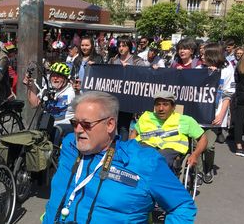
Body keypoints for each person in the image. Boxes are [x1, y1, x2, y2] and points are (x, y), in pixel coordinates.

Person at [42, 91, 196, 223]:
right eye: (75, 123)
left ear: (110, 125)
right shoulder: (70, 145)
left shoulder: (145, 162)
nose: (78, 130)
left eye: (86, 124)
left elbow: (182, 206)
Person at [130, 91, 208, 170]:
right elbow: (134, 133)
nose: (161, 108)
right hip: (145, 147)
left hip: (169, 150)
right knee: (134, 158)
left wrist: (195, 154)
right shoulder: (146, 117)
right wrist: (129, 147)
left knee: (159, 161)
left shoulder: (186, 121)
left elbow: (203, 139)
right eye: (158, 104)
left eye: (165, 104)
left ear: (173, 107)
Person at [198, 43, 235, 180]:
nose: (201, 56)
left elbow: (228, 94)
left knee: (209, 146)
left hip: (214, 115)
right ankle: (199, 171)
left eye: (204, 54)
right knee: (196, 145)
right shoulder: (199, 68)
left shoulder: (227, 69)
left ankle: (208, 168)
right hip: (197, 114)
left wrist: (221, 114)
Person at [24, 62, 75, 144]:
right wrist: (30, 87)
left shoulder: (72, 91)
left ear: (65, 78)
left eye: (59, 76)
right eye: (53, 75)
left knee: (55, 131)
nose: (55, 78)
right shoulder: (47, 89)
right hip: (47, 126)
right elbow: (34, 104)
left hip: (65, 127)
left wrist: (79, 90)